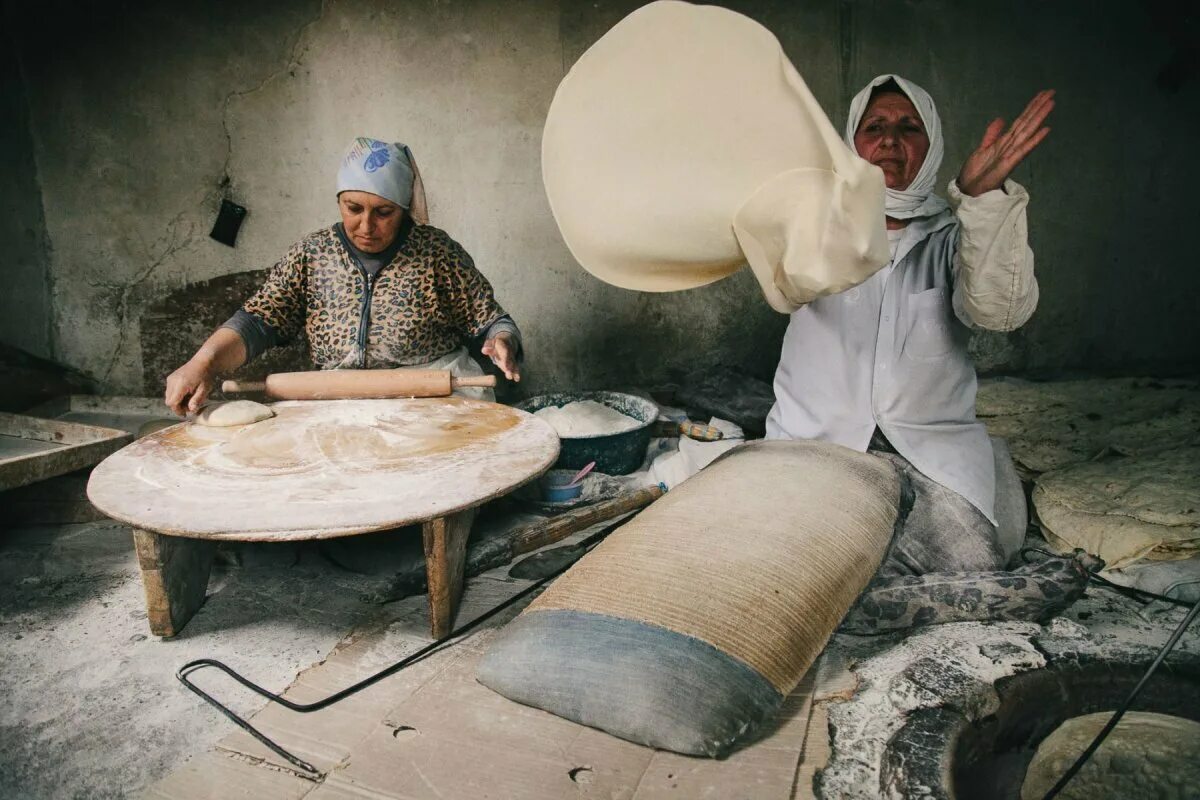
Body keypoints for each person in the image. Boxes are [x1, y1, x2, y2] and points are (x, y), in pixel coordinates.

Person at [765, 75, 1086, 630]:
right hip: (816, 445)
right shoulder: (813, 224)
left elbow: (998, 312)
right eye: (875, 127)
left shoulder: (956, 233)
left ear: (931, 142)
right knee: (782, 554)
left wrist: (981, 205)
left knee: (970, 561)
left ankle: (853, 605)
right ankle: (862, 598)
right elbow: (787, 285)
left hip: (929, 452)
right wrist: (842, 216)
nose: (891, 140)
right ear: (852, 143)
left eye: (908, 127)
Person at [165, 138, 521, 416]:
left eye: (383, 212)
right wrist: (203, 363)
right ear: (339, 200)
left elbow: (490, 320)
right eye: (354, 208)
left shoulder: (435, 252)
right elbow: (258, 320)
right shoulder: (311, 254)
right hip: (341, 399)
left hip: (435, 394)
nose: (366, 226)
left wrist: (502, 341)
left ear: (403, 209)